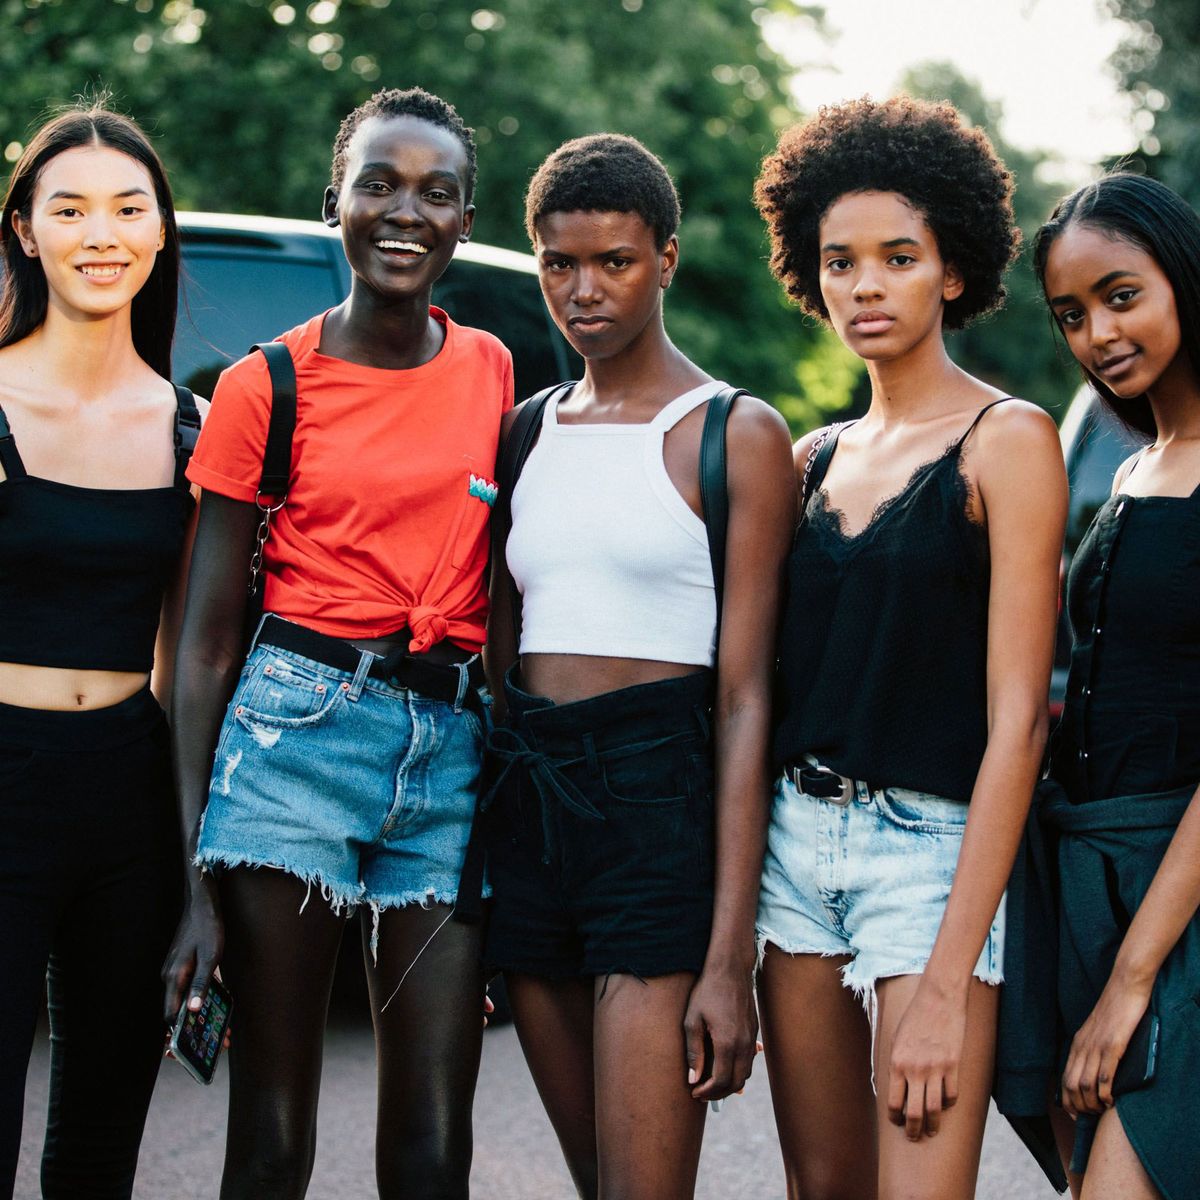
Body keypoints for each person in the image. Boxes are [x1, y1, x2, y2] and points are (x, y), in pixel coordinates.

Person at [160, 87, 512, 1200]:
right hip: (292, 744)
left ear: (465, 220)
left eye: (436, 192)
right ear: (336, 204)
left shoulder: (497, 370)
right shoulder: (263, 385)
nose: (404, 211)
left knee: (433, 1144)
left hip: (447, 760)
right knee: (270, 1139)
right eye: (379, 184)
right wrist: (191, 873)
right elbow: (205, 643)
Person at [753, 96, 1067, 1200]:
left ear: (952, 267)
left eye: (898, 256)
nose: (866, 285)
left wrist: (946, 977)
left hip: (927, 860)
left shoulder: (1009, 441)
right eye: (840, 261)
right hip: (793, 853)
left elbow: (1019, 720)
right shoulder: (809, 457)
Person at [482, 133, 794, 1200]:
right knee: (598, 1182)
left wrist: (728, 954)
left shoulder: (732, 432)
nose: (583, 290)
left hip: (659, 813)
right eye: (559, 263)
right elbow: (503, 647)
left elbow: (749, 699)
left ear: (665, 257)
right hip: (531, 808)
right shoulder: (524, 433)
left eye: (613, 261)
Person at [0, 103, 201, 1199]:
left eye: (129, 208)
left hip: (129, 794)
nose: (101, 233)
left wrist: (193, 853)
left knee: (99, 1144)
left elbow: (191, 649)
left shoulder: (193, 428)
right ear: (24, 230)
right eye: (68, 209)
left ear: (162, 232)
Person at [1030, 172, 1200, 1200]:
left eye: (1121, 295)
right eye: (1072, 315)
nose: (1097, 333)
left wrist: (1131, 982)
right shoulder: (1132, 464)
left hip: (1181, 899)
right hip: (1094, 879)